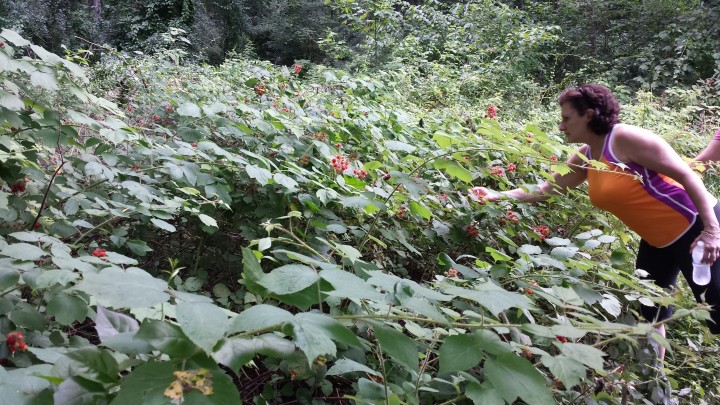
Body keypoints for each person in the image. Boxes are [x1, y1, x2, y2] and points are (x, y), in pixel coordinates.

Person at [470, 84, 720, 359]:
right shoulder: (587, 155)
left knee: (715, 308)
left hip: (695, 226)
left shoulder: (627, 139)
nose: (561, 126)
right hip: (656, 239)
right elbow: (547, 189)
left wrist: (711, 230)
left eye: (566, 118)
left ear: (588, 115)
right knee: (652, 310)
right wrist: (495, 195)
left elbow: (688, 176)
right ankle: (656, 384)